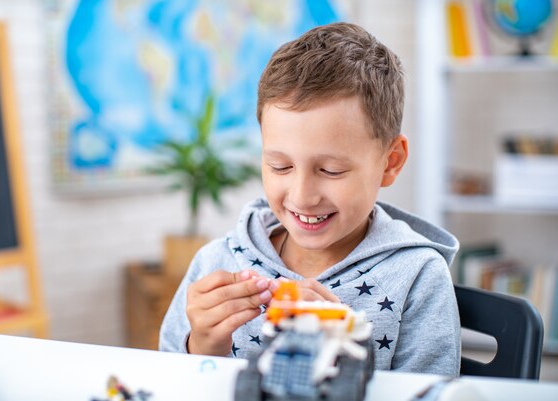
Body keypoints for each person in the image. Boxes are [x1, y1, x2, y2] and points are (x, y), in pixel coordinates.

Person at [159, 22, 460, 376]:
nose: (302, 196)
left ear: (390, 163)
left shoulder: (417, 277)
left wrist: (342, 362)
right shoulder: (216, 262)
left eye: (331, 170)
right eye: (281, 165)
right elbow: (167, 379)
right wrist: (201, 347)